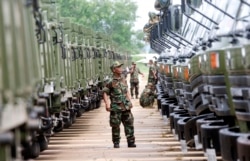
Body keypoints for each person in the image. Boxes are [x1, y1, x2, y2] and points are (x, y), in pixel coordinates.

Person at [102, 61, 136, 148]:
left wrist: (130, 100)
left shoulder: (123, 79)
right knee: (115, 126)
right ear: (114, 70)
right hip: (116, 107)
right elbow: (105, 93)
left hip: (126, 106)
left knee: (129, 124)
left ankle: (131, 142)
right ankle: (116, 142)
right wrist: (107, 104)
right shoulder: (110, 81)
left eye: (121, 67)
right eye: (118, 67)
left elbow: (127, 90)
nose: (121, 68)